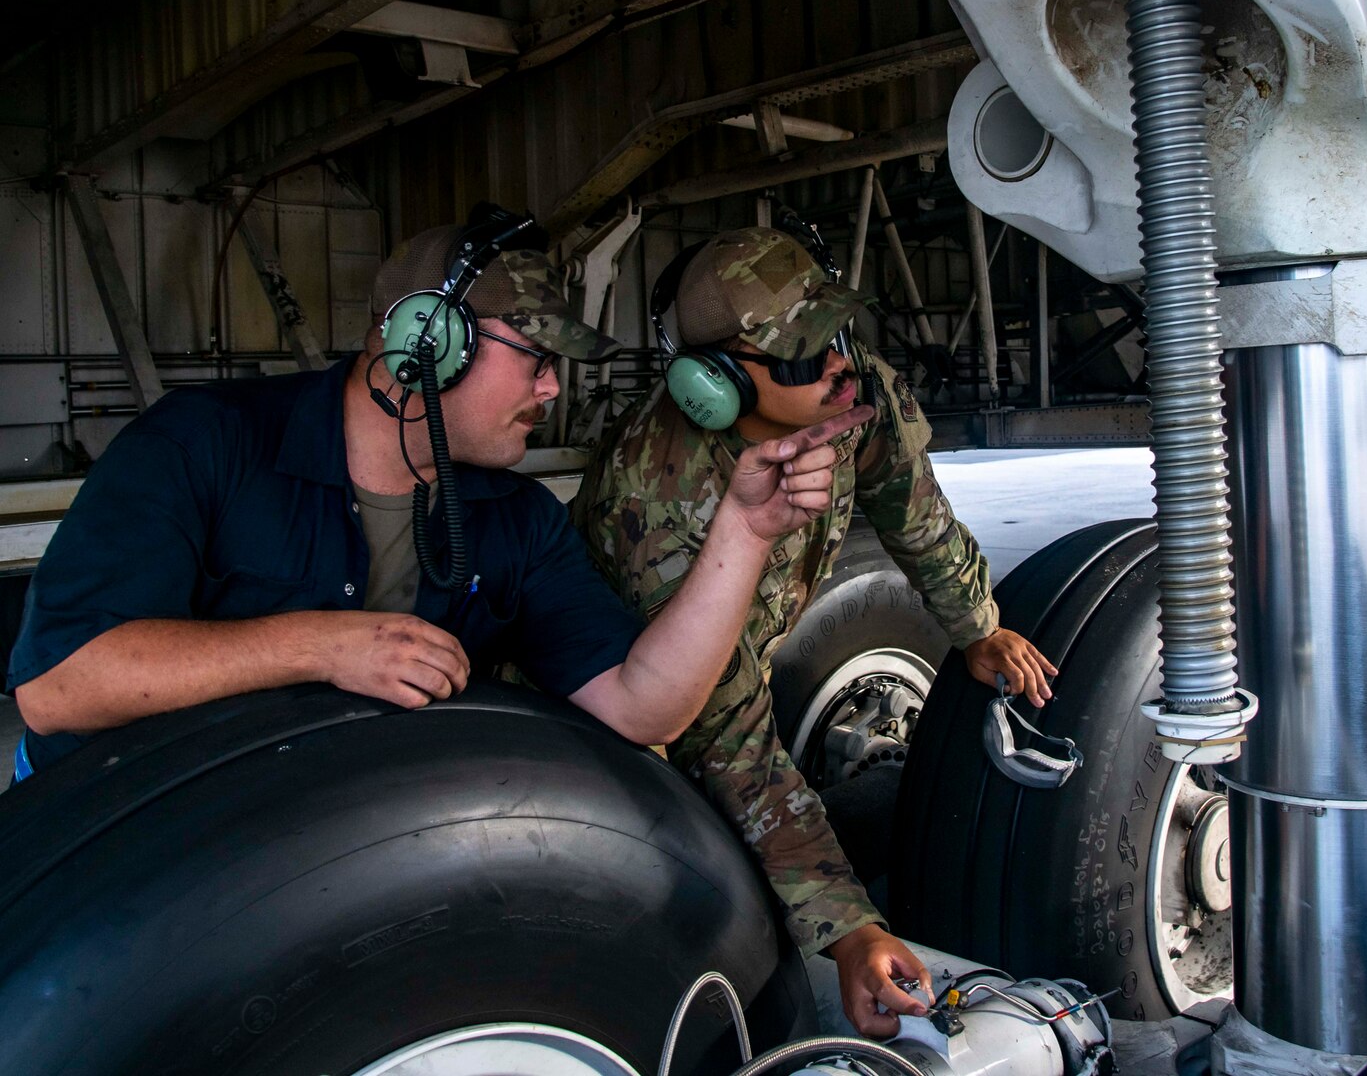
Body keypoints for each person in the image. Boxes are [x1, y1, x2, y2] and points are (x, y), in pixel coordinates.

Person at [7, 222, 868, 783]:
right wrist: (318, 645)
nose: (551, 387)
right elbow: (58, 685)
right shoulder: (201, 444)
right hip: (115, 842)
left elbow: (644, 704)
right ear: (429, 340)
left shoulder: (513, 519)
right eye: (532, 355)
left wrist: (747, 529)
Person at [571, 226, 1059, 1038]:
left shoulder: (849, 390)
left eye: (835, 332)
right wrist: (847, 928)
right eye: (802, 355)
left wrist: (976, 628)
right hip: (619, 707)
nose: (838, 363)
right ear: (716, 386)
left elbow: (916, 513)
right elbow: (725, 740)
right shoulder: (659, 510)